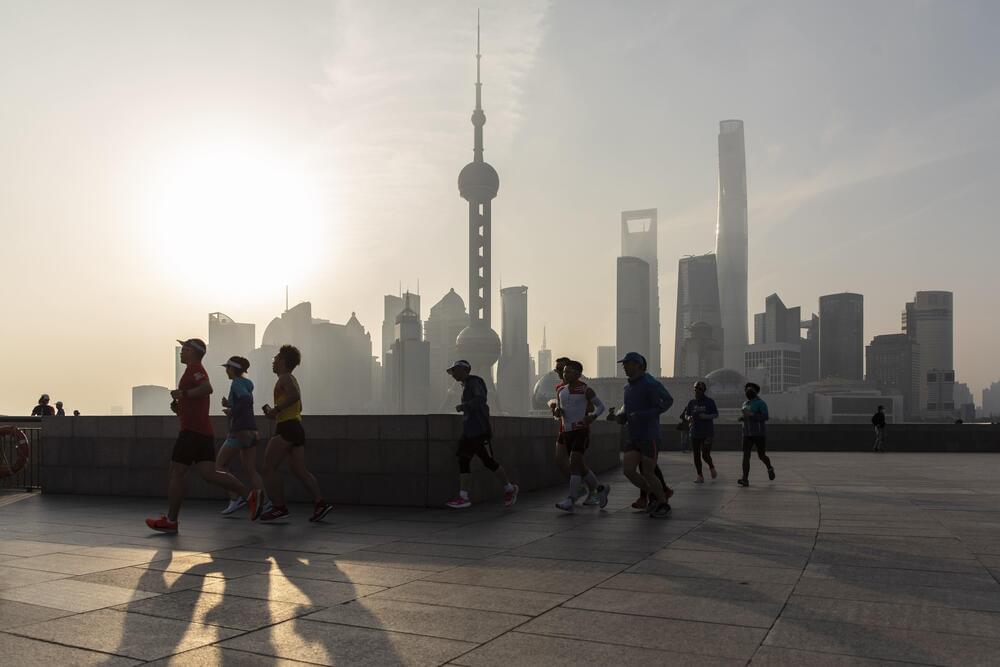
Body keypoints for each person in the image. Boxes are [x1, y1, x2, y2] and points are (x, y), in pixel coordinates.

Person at [145, 339, 259, 533]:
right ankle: (250, 497)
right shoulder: (192, 370)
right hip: (203, 431)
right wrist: (180, 407)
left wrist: (183, 394)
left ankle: (171, 521)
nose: (181, 352)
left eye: (184, 349)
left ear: (193, 352)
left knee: (176, 472)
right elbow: (196, 399)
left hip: (191, 432)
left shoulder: (195, 369)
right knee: (209, 474)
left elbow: (207, 388)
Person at [258, 344, 333, 522]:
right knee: (299, 470)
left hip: (287, 428)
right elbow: (298, 406)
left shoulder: (285, 378)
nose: (273, 362)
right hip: (295, 427)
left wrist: (276, 410)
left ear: (283, 361)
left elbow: (294, 396)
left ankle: (279, 507)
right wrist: (275, 413)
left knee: (268, 468)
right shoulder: (290, 379)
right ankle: (320, 504)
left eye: (275, 358)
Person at [444, 360, 519, 509]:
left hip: (477, 429)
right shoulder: (467, 384)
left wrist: (463, 406)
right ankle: (509, 488)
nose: (453, 375)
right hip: (471, 430)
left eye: (455, 371)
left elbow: (480, 400)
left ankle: (464, 497)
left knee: (468, 459)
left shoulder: (474, 382)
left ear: (464, 370)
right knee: (480, 460)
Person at [614, 352, 673, 518]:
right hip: (633, 436)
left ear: (637, 365)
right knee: (628, 470)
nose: (624, 367)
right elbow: (627, 408)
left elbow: (668, 401)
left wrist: (644, 415)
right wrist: (621, 416)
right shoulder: (627, 388)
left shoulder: (650, 383)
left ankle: (663, 503)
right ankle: (653, 494)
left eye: (627, 363)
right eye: (623, 364)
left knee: (648, 472)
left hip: (649, 435)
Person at [553, 360, 610, 512]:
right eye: (564, 372)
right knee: (578, 465)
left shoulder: (585, 390)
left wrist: (592, 416)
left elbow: (600, 406)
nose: (565, 374)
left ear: (578, 374)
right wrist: (557, 412)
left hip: (581, 431)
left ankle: (571, 499)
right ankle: (600, 489)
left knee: (574, 463)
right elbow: (559, 410)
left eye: (568, 372)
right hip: (567, 432)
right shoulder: (561, 391)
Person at [217, 356, 263, 515]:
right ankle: (265, 502)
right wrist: (229, 404)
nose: (226, 371)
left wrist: (232, 411)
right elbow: (244, 401)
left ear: (232, 369)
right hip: (252, 430)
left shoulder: (236, 383)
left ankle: (236, 498)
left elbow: (246, 400)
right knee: (251, 469)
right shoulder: (247, 383)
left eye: (227, 368)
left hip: (238, 431)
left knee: (220, 466)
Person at [738, 382, 774, 487]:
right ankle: (745, 479)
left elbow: (766, 416)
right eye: (746, 389)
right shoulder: (745, 404)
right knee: (746, 456)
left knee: (761, 455)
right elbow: (746, 417)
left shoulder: (761, 403)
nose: (747, 391)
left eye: (749, 389)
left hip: (759, 434)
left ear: (755, 391)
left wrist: (752, 414)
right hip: (747, 434)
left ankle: (770, 468)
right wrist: (743, 418)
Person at [685, 381, 719, 483]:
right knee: (696, 455)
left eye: (699, 389)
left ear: (703, 390)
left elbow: (716, 414)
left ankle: (711, 467)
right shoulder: (692, 402)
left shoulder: (709, 401)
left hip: (707, 433)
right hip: (695, 432)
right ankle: (700, 475)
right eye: (695, 389)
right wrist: (689, 418)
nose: (697, 391)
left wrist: (706, 416)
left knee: (705, 454)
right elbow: (686, 414)